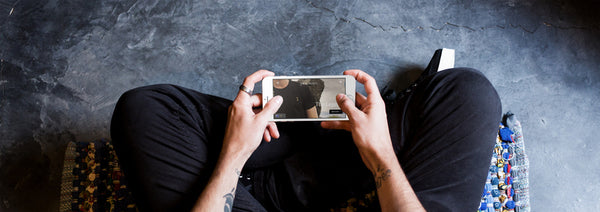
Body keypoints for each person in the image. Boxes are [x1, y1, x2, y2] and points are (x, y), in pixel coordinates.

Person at [111, 68, 501, 211]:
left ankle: (283, 131)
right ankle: (309, 128)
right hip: (340, 177)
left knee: (143, 109)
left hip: (238, 190)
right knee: (469, 94)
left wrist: (232, 158)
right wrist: (380, 155)